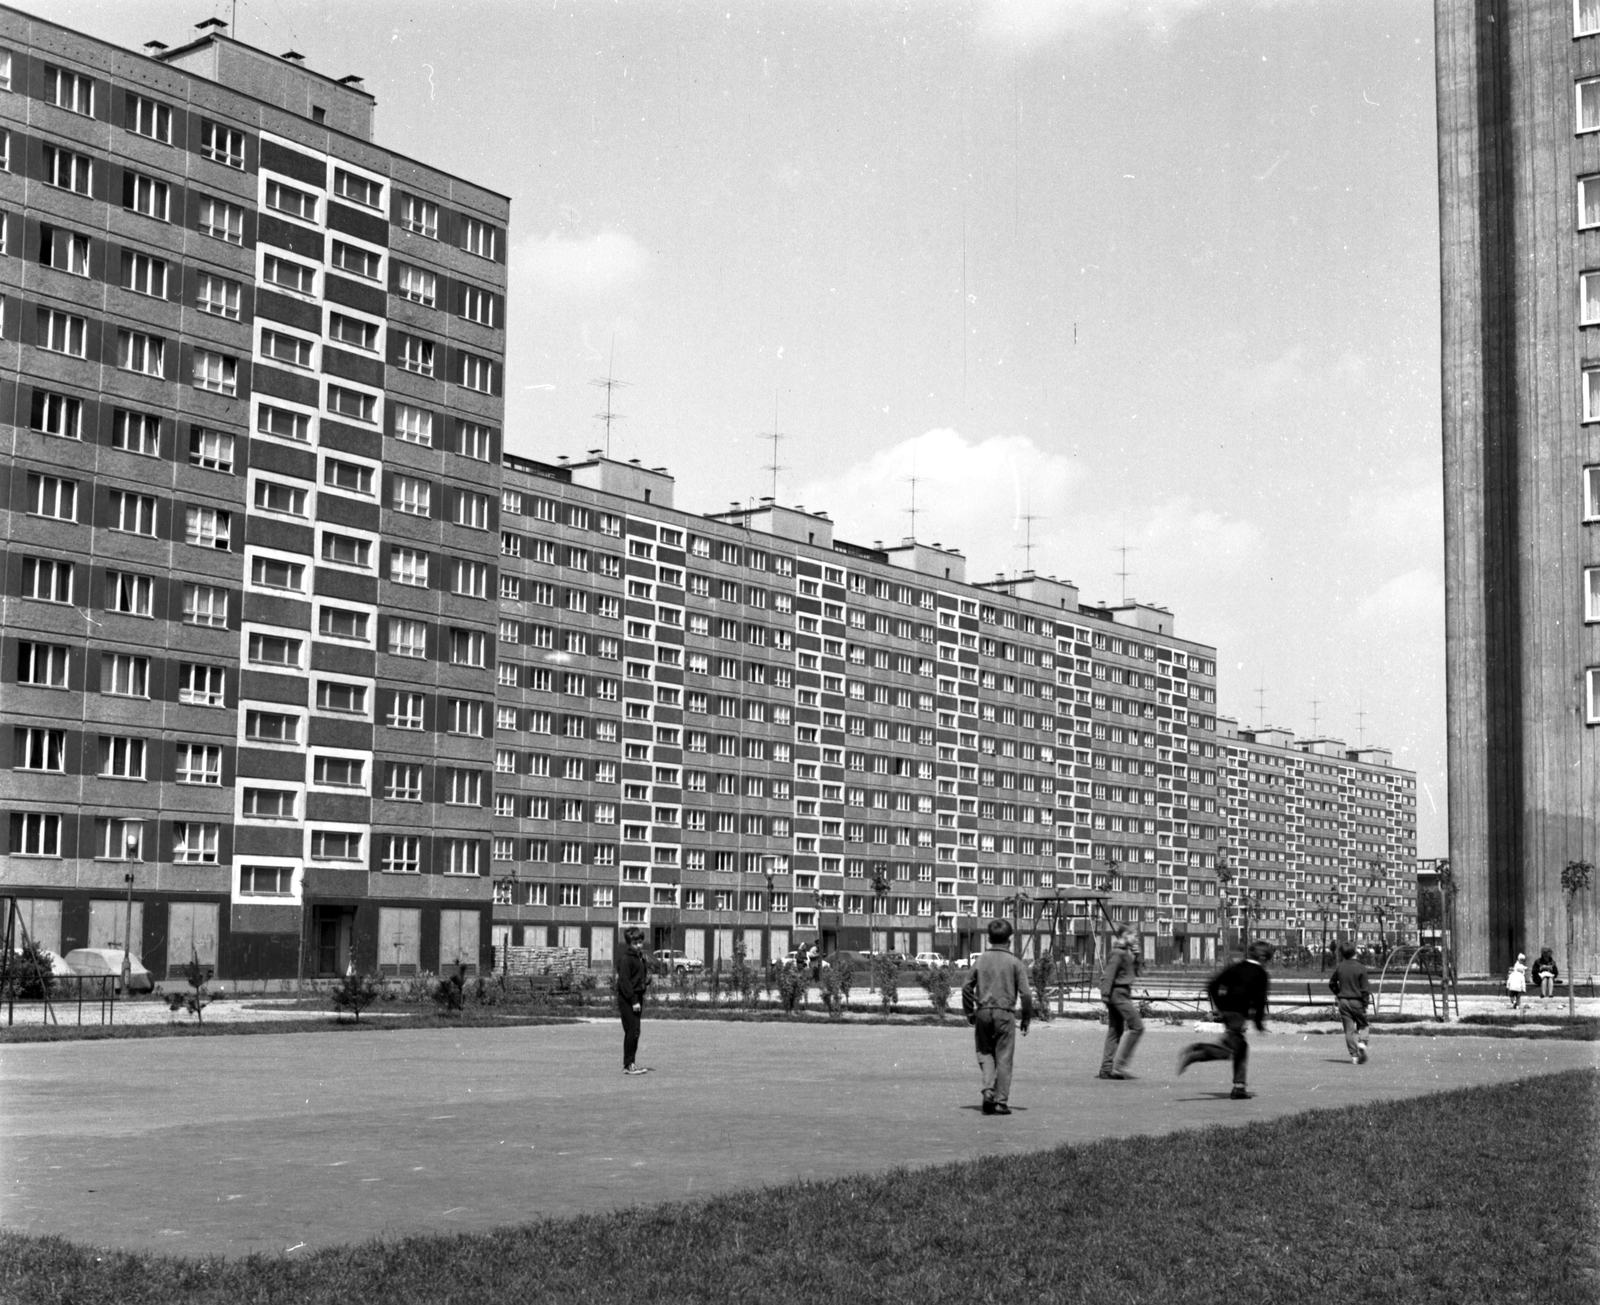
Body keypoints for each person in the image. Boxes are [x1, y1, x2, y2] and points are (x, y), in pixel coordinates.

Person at [1178, 939, 1275, 1099]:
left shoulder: (1237, 966)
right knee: (1228, 1051)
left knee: (1241, 1046)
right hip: (1238, 1014)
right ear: (1263, 958)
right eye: (1268, 960)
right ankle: (1198, 1051)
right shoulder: (1260, 973)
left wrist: (1220, 1005)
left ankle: (1239, 1087)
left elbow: (1212, 984)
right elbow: (1260, 999)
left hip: (1227, 1011)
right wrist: (1258, 1022)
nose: (1267, 964)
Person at [960, 919, 1034, 1115]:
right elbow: (1026, 994)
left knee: (985, 1052)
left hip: (983, 1012)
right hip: (1005, 1013)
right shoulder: (1015, 962)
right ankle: (1001, 1101)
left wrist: (969, 1010)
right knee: (1004, 1056)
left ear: (989, 939)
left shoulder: (981, 959)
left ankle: (987, 1090)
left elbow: (966, 986)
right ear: (1011, 939)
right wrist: (1026, 1018)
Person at [1097, 926, 1143, 1080]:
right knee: (1137, 1027)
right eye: (1134, 936)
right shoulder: (1118, 953)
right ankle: (1120, 1066)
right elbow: (1108, 975)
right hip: (1118, 994)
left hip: (1120, 993)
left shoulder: (1125, 953)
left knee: (1115, 1030)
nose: (1136, 939)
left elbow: (1135, 973)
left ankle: (1106, 1069)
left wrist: (1137, 957)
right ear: (1126, 935)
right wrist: (1104, 997)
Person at [1328, 943, 1371, 1064]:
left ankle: (1354, 1056)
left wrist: (1339, 993)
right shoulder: (1361, 967)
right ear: (1355, 952)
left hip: (1343, 1001)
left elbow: (1331, 983)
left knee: (1349, 1029)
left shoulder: (1340, 967)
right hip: (1356, 1001)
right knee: (1363, 1025)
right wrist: (1365, 1004)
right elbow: (1365, 990)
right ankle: (1362, 1043)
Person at [617, 927, 652, 1074]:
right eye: (635, 943)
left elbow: (638, 976)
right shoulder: (626, 959)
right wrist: (633, 1001)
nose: (639, 945)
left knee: (635, 1031)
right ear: (629, 943)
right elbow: (624, 982)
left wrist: (646, 981)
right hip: (628, 999)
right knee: (632, 1031)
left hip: (637, 996)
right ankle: (628, 1064)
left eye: (640, 942)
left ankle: (631, 1063)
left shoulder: (641, 957)